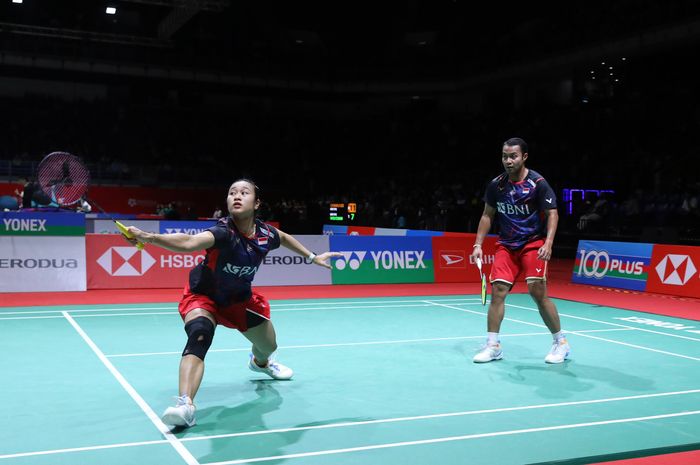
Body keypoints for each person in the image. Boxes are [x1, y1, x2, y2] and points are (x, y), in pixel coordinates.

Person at [125, 179, 340, 427]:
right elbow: (188, 242)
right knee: (200, 335)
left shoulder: (266, 234)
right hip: (204, 295)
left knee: (269, 345)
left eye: (244, 193)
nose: (236, 196)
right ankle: (185, 405)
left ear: (256, 203)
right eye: (232, 193)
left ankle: (260, 364)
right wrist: (147, 237)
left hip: (239, 300)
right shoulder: (222, 232)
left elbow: (283, 237)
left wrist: (312, 256)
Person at [470, 137, 570, 364]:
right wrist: (477, 244)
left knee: (537, 291)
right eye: (505, 156)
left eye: (513, 156)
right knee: (497, 292)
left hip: (532, 243)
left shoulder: (538, 183)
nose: (508, 160)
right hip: (506, 245)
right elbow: (487, 215)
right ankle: (493, 345)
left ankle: (560, 343)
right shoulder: (497, 185)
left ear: (524, 157)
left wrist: (549, 243)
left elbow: (552, 213)